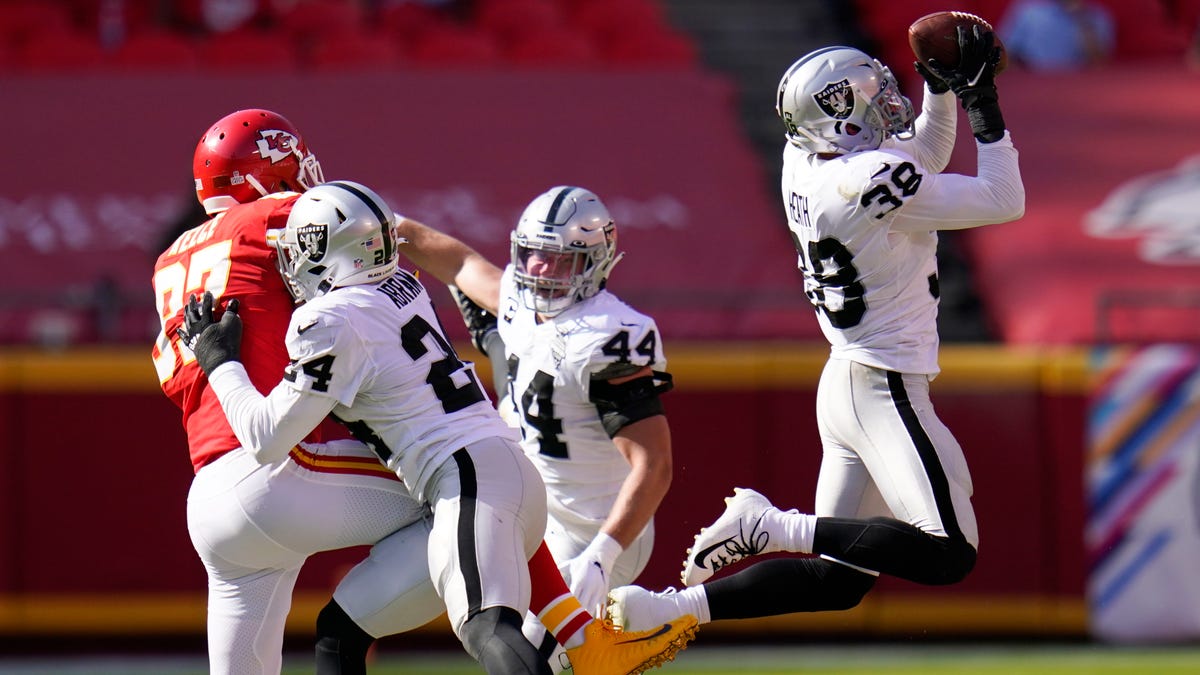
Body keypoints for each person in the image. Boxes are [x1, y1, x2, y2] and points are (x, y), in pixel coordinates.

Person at [153, 108, 697, 675]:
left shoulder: (173, 262)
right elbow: (366, 224)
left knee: (336, 631)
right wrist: (228, 362)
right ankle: (580, 634)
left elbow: (180, 377)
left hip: (210, 494)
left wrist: (216, 358)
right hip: (287, 463)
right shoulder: (358, 272)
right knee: (465, 515)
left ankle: (580, 636)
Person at [607, 27, 1024, 631]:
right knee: (947, 551)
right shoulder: (866, 183)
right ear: (840, 121)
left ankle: (668, 609)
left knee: (836, 578)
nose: (888, 102)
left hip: (850, 379)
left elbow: (920, 158)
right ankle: (770, 526)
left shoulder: (807, 160)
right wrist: (982, 102)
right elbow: (1002, 199)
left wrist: (938, 88)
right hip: (883, 385)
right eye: (872, 96)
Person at [366, 185, 679, 672]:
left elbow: (653, 464)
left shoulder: (610, 333)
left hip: (594, 528)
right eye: (533, 256)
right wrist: (377, 221)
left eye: (559, 260)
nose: (539, 270)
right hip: (532, 512)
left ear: (596, 261)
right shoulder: (516, 301)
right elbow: (458, 263)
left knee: (529, 656)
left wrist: (604, 552)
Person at [998, 0, 1115, 70]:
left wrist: (1080, 17)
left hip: (1076, 85)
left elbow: (1099, 62)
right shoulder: (1029, 11)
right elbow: (1003, 54)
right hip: (1032, 82)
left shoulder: (1097, 16)